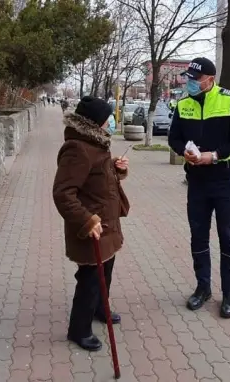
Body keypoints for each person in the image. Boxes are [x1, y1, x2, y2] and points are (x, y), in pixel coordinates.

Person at [167, 57, 230, 319]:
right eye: (188, 78)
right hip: (197, 182)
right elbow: (174, 137)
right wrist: (186, 152)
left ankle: (229, 295)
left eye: (195, 79)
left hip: (225, 181)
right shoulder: (184, 104)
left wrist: (214, 155)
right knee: (198, 237)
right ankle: (203, 288)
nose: (190, 83)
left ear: (210, 80)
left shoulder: (229, 100)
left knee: (229, 239)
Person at [52, 96, 130, 351]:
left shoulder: (96, 144)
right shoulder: (78, 148)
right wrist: (87, 220)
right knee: (90, 279)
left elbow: (98, 178)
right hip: (92, 229)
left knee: (105, 273)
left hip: (107, 225)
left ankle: (100, 308)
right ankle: (79, 330)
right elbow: (63, 193)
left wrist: (117, 169)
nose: (112, 122)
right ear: (97, 121)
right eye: (109, 119)